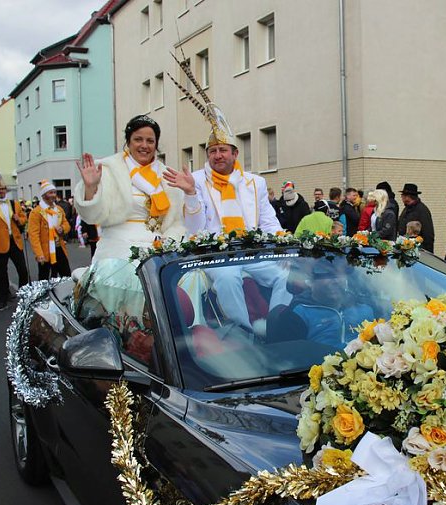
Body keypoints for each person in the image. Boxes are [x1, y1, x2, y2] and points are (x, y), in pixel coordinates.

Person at [164, 99, 290, 333]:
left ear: (235, 153)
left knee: (287, 273)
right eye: (212, 151)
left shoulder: (255, 182)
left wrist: (283, 247)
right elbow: (195, 229)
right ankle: (244, 332)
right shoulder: (196, 180)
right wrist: (190, 193)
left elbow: (268, 220)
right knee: (228, 276)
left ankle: (277, 325)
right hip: (215, 254)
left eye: (223, 150)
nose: (218, 155)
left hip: (252, 251)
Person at [75, 114, 187, 261]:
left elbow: (176, 223)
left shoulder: (167, 175)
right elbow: (92, 217)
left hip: (158, 248)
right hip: (117, 247)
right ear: (128, 142)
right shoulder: (109, 170)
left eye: (150, 141)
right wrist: (90, 188)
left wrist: (170, 240)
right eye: (138, 139)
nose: (144, 146)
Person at [0, 173, 30, 311]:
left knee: (23, 270)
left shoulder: (13, 204)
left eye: (3, 189)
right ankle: (2, 300)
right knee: (1, 273)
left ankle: (24, 297)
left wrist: (18, 219)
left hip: (14, 241)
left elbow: (24, 219)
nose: (1, 191)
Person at [28, 180, 71, 280]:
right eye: (50, 192)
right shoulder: (36, 212)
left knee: (67, 276)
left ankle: (66, 294)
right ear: (43, 195)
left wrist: (62, 229)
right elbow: (34, 235)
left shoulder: (59, 209)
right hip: (45, 251)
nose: (53, 195)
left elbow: (67, 225)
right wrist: (39, 254)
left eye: (54, 192)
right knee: (44, 279)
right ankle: (44, 295)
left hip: (59, 247)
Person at [397, 183, 435, 252]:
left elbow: (428, 234)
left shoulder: (422, 211)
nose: (401, 198)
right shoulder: (407, 209)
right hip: (406, 248)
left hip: (417, 251)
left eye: (402, 196)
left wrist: (427, 253)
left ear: (408, 197)